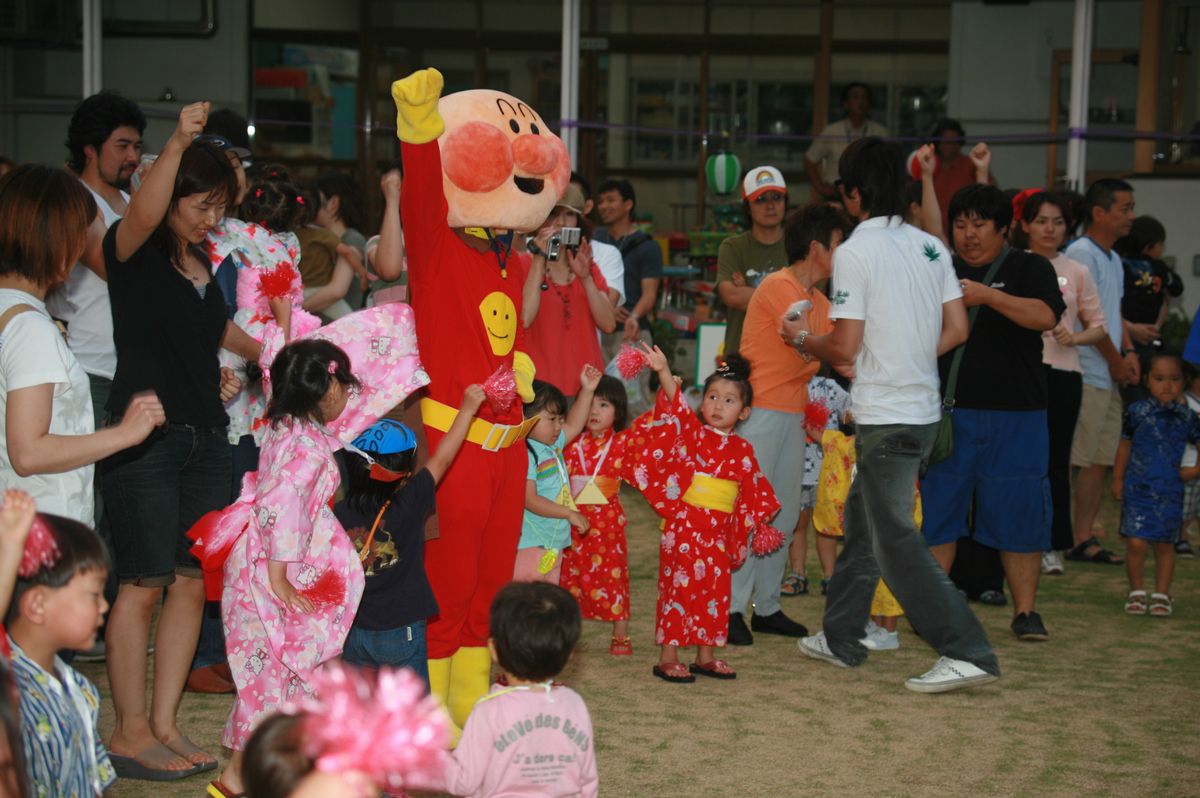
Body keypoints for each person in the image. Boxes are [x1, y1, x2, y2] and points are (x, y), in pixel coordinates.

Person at [788, 136, 999, 693]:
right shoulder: (930, 246)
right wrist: (904, 359)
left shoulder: (856, 251)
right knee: (864, 525)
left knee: (895, 539)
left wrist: (804, 339)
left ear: (853, 193)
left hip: (886, 414)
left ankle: (967, 649)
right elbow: (955, 330)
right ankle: (840, 637)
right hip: (922, 409)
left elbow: (846, 346)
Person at [101, 103, 240, 779]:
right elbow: (145, 215)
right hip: (145, 437)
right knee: (143, 582)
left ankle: (163, 723)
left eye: (220, 208)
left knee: (188, 586)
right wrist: (180, 140)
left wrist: (226, 376)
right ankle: (127, 731)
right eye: (202, 204)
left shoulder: (202, 261)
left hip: (205, 439)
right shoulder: (129, 251)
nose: (210, 219)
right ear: (171, 189)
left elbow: (199, 337)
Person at [208, 338, 367, 797]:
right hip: (277, 570)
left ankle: (260, 779)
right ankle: (246, 780)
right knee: (281, 679)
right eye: (346, 385)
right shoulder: (304, 446)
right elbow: (282, 503)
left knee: (279, 681)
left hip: (277, 563)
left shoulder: (288, 427)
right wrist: (279, 576)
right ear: (331, 386)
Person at [920, 183, 1065, 642]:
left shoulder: (1030, 266)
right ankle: (937, 613)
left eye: (979, 225)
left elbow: (1046, 317)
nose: (969, 235)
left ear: (1004, 228)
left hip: (1018, 415)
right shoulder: (937, 268)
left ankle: (1025, 613)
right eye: (960, 225)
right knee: (940, 511)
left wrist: (990, 296)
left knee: (1019, 513)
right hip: (950, 414)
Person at [0, 165, 166, 527]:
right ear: (51, 235)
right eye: (79, 231)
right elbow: (28, 451)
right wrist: (124, 433)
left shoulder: (12, 312)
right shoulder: (31, 329)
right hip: (42, 528)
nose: (83, 246)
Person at [729, 203, 851, 645]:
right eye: (840, 245)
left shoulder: (818, 299)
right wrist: (826, 351)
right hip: (760, 409)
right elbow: (819, 348)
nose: (845, 254)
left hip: (792, 412)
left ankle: (768, 605)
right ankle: (731, 609)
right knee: (751, 511)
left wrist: (824, 351)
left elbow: (823, 349)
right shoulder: (781, 286)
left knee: (780, 513)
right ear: (817, 247)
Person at [635, 348, 781, 683]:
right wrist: (663, 371)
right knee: (678, 590)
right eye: (712, 396)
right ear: (702, 403)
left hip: (717, 531)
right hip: (684, 526)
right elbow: (678, 406)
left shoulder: (743, 451)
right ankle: (669, 655)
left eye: (729, 401)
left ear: (744, 412)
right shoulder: (694, 433)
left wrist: (760, 520)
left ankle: (706, 655)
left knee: (714, 592)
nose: (718, 405)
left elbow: (752, 488)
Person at [335, 388, 483, 683]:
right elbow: (442, 460)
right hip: (401, 628)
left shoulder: (339, 512)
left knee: (362, 707)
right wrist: (467, 410)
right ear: (406, 472)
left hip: (353, 630)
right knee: (409, 709)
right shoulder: (409, 503)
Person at [1011, 190, 1109, 576]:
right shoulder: (1015, 264)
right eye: (1041, 221)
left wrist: (1075, 338)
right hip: (1020, 372)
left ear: (1068, 227)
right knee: (1016, 460)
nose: (1049, 229)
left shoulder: (1076, 270)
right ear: (1025, 225)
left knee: (1055, 462)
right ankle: (1012, 540)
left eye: (1057, 222)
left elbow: (1099, 327)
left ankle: (1053, 543)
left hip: (1065, 373)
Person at [436, 581, 598, 797]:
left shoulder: (489, 710)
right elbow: (587, 780)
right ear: (569, 656)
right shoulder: (574, 703)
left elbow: (464, 782)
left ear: (493, 650)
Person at [6, 510, 116, 795]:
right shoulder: (11, 695)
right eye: (94, 595)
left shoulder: (82, 690)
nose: (104, 606)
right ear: (38, 605)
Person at [1066, 179, 1140, 565]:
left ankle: (1084, 536)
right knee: (1076, 458)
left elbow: (1114, 313)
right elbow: (1085, 316)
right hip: (1086, 370)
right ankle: (1062, 536)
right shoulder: (1082, 253)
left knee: (1099, 459)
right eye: (1124, 208)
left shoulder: (1113, 258)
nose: (1131, 216)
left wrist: (1128, 350)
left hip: (1107, 370)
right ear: (1099, 213)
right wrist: (1116, 360)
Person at [1113, 354, 1200, 618]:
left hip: (1170, 490)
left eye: (1174, 380)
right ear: (1147, 380)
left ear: (1183, 382)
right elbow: (1124, 445)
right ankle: (1136, 591)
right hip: (1138, 487)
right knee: (1136, 542)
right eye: (1160, 379)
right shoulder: (1136, 412)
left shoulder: (1188, 416)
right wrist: (1117, 478)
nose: (1167, 386)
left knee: (1165, 544)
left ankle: (1162, 594)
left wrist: (1195, 470)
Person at [561, 374, 636, 655]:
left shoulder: (624, 444)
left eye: (603, 405)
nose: (594, 411)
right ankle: (568, 631)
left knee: (613, 575)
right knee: (570, 577)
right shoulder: (570, 443)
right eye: (589, 403)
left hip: (608, 525)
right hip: (574, 521)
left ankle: (620, 634)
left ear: (618, 411)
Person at [519, 186, 616, 398]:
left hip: (588, 386)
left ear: (578, 222)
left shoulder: (587, 265)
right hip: (541, 389)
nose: (561, 223)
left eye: (569, 215)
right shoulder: (522, 264)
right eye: (553, 214)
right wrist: (538, 258)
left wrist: (586, 277)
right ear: (540, 219)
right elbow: (524, 318)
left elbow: (609, 324)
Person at [518, 373, 598, 584]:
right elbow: (529, 499)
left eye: (560, 419)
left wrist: (587, 390)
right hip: (530, 543)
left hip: (553, 543)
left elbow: (575, 424)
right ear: (526, 418)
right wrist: (568, 514)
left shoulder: (551, 446)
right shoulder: (525, 453)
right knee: (528, 606)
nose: (558, 427)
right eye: (551, 419)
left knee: (547, 606)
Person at [781, 372, 850, 598]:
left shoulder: (828, 387)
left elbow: (849, 412)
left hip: (827, 472)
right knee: (797, 523)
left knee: (826, 526)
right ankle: (797, 574)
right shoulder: (787, 384)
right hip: (796, 467)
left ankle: (830, 577)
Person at [714, 166, 790, 356]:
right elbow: (731, 296)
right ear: (747, 207)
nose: (770, 205)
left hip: (788, 359)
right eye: (761, 199)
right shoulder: (732, 247)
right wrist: (786, 297)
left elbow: (808, 300)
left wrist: (749, 292)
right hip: (740, 358)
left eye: (777, 198)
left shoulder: (800, 245)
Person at [593, 178, 663, 368]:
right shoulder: (594, 241)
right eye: (600, 201)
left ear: (628, 204)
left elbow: (650, 293)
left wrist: (633, 316)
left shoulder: (648, 246)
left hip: (631, 332)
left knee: (632, 396)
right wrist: (608, 307)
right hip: (597, 330)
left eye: (610, 200)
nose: (603, 206)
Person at [1116, 216, 1183, 381]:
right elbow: (1177, 288)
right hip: (1131, 333)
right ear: (1148, 246)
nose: (1161, 248)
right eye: (1160, 244)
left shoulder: (1118, 262)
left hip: (1129, 332)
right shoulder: (1157, 267)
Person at [804, 82, 888, 202]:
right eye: (855, 97)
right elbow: (809, 160)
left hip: (870, 196)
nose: (860, 101)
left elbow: (890, 166)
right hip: (837, 196)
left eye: (864, 98)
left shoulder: (880, 132)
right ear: (845, 104)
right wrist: (821, 188)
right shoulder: (832, 131)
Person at [315, 172, 371, 310]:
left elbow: (336, 290)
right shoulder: (321, 239)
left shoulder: (352, 239)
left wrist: (295, 309)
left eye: (316, 200)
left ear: (333, 203)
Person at [927, 119, 995, 231]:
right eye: (948, 143)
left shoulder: (971, 164)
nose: (952, 147)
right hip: (933, 229)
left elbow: (990, 192)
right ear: (938, 144)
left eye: (956, 142)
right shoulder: (928, 165)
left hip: (965, 229)